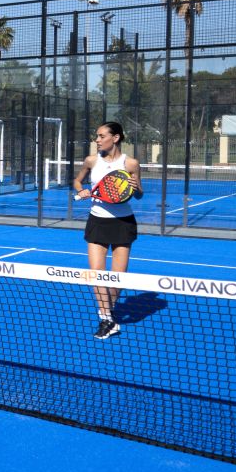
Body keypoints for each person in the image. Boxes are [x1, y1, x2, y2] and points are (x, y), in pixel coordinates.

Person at [72, 121, 144, 340]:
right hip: (97, 221)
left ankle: (108, 310)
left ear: (116, 138)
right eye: (96, 136)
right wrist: (81, 190)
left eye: (101, 136)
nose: (97, 139)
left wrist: (135, 187)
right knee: (96, 273)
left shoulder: (131, 163)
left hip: (123, 223)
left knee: (117, 278)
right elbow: (77, 180)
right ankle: (106, 318)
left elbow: (139, 194)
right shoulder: (91, 161)